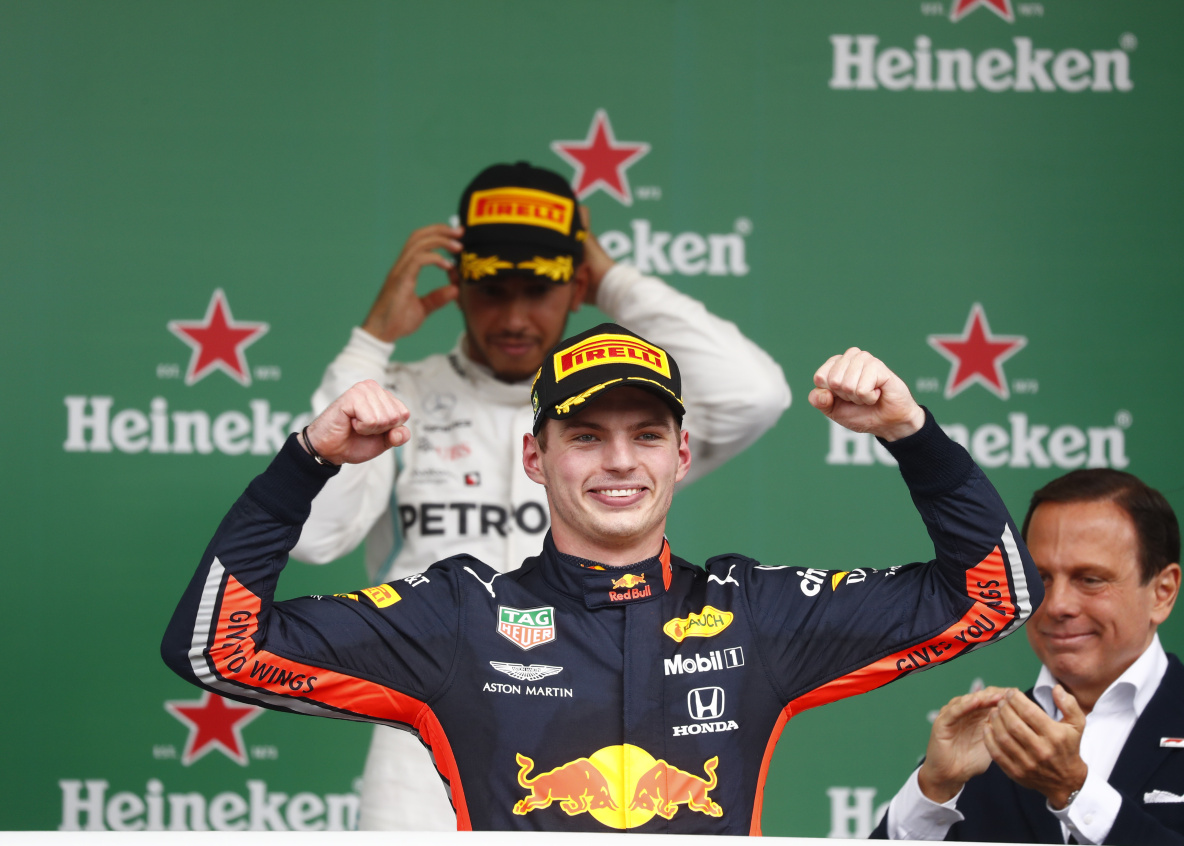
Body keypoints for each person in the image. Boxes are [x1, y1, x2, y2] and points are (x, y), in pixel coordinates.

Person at [163, 329, 1041, 834]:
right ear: (534, 457)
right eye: (585, 436)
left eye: (646, 435)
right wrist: (306, 461)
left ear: (682, 456)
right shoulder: (458, 614)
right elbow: (215, 648)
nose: (620, 461)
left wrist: (911, 433)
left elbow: (993, 595)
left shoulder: (753, 613)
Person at [289, 161, 791, 829]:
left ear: (575, 286)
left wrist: (608, 277)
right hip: (423, 741)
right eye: (492, 290)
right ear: (457, 286)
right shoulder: (400, 395)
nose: (515, 317)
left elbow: (755, 394)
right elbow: (315, 536)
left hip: (591, 737)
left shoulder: (622, 425)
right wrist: (370, 341)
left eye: (540, 290)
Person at [873, 469, 1183, 844]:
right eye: (1040, 579)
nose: (1057, 605)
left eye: (1090, 579)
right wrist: (933, 790)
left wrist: (1074, 791)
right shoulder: (983, 742)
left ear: (1162, 592)